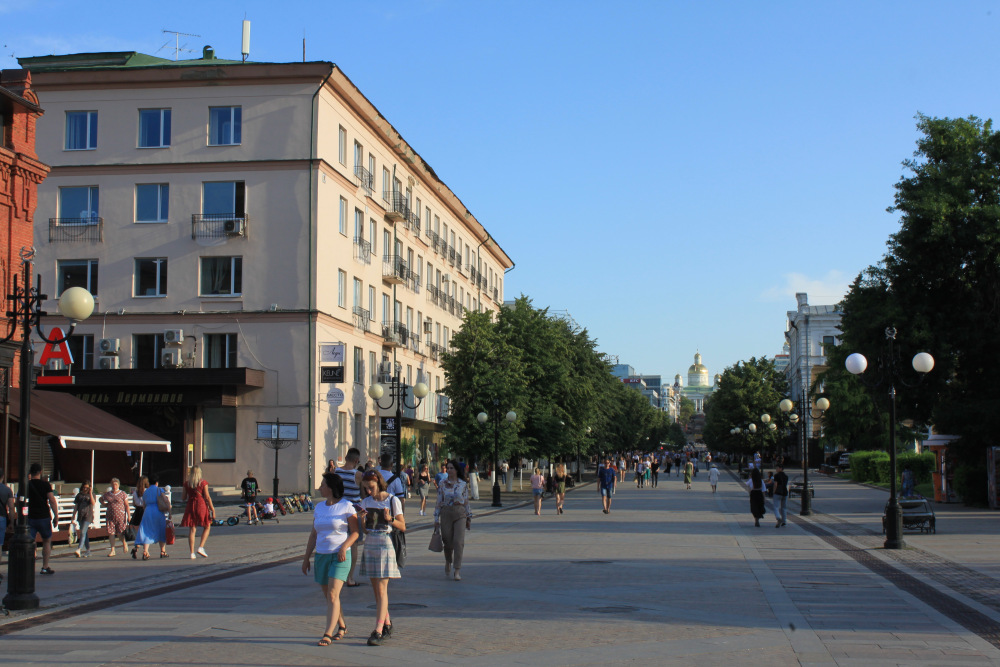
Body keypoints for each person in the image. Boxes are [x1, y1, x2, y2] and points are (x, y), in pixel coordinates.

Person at [303, 472, 359, 646]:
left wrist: (344, 547)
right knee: (329, 596)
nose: (320, 487)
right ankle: (342, 626)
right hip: (321, 555)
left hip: (340, 555)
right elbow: (313, 534)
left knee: (333, 594)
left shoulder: (347, 506)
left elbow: (355, 532)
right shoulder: (319, 507)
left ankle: (328, 633)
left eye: (323, 484)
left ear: (331, 488)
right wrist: (306, 558)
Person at [358, 469, 404, 646]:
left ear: (379, 483)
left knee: (382, 589)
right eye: (366, 488)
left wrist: (390, 519)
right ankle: (387, 623)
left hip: (385, 543)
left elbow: (403, 526)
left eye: (371, 487)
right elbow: (365, 529)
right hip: (370, 543)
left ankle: (378, 629)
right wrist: (362, 519)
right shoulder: (366, 502)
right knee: (376, 590)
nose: (369, 491)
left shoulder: (392, 500)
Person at [434, 460, 472, 581]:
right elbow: (439, 501)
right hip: (446, 513)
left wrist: (469, 516)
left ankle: (457, 570)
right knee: (447, 541)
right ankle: (448, 561)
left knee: (458, 542)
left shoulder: (462, 484)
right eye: (448, 468)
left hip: (460, 512)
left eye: (451, 468)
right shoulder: (442, 483)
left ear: (456, 470)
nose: (449, 470)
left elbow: (466, 501)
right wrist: (436, 518)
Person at [334, 448, 364, 588]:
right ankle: (350, 577)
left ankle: (338, 574)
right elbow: (363, 495)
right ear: (357, 461)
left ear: (346, 458)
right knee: (354, 545)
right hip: (353, 512)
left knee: (339, 542)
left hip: (338, 512)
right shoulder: (358, 475)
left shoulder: (336, 472)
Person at [26, 463, 59, 574]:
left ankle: (29, 566)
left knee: (30, 542)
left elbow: (19, 501)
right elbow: (52, 500)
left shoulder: (27, 485)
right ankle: (45, 567)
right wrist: (56, 516)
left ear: (30, 472)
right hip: (44, 516)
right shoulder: (45, 485)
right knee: (46, 541)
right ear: (40, 472)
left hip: (31, 517)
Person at [181, 465, 215, 559]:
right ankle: (201, 547)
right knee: (207, 526)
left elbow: (183, 498)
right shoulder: (203, 483)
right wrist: (212, 509)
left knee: (192, 529)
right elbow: (207, 497)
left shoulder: (187, 484)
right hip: (201, 505)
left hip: (190, 505)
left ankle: (192, 553)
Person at [135, 474, 169, 560]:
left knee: (147, 530)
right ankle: (162, 551)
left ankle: (145, 551)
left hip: (148, 511)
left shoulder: (146, 492)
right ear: (157, 482)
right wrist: (169, 511)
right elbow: (165, 500)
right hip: (158, 511)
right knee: (161, 529)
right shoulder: (159, 490)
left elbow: (144, 504)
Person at [100, 478, 131, 557]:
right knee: (111, 533)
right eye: (113, 484)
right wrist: (105, 504)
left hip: (120, 515)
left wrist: (128, 515)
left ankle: (124, 543)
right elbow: (101, 499)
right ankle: (112, 550)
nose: (114, 486)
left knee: (120, 532)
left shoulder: (122, 494)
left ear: (118, 485)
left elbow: (126, 505)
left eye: (116, 484)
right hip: (110, 515)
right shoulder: (108, 494)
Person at [70, 480, 96, 558]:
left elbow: (93, 503)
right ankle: (88, 550)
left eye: (87, 488)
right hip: (80, 515)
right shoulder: (79, 495)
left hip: (88, 515)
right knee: (84, 533)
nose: (85, 489)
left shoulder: (92, 494)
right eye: (84, 487)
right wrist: (73, 515)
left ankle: (79, 549)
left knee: (83, 532)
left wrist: (90, 492)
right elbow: (76, 506)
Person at [129, 476, 148, 558]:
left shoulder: (135, 492)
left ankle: (136, 548)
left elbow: (134, 503)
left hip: (137, 512)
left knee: (139, 532)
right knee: (145, 532)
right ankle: (145, 551)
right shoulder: (147, 491)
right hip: (145, 511)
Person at [0, 468, 14, 575]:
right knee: (0, 545)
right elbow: (11, 507)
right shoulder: (7, 490)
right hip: (2, 518)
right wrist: (12, 522)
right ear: (3, 477)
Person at [773, 463, 789, 527]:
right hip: (785, 492)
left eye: (777, 468)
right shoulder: (786, 476)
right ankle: (784, 521)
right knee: (784, 507)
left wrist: (774, 492)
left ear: (781, 468)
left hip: (778, 492)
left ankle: (778, 517)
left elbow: (775, 484)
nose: (776, 469)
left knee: (776, 507)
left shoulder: (776, 476)